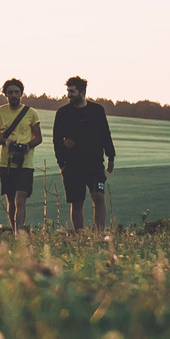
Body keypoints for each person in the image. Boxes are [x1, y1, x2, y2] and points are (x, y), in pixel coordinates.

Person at [52, 74, 115, 233]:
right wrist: (62, 164)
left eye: (72, 92)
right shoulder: (63, 113)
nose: (68, 95)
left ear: (82, 92)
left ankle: (98, 234)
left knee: (99, 197)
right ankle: (80, 235)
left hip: (94, 163)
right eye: (68, 91)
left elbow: (105, 134)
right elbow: (57, 140)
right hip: (72, 165)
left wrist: (111, 156)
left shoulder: (97, 111)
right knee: (77, 202)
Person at [0, 78, 43, 234]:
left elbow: (38, 137)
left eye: (16, 92)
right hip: (5, 162)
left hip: (25, 162)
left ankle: (19, 233)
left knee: (21, 198)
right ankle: (15, 232)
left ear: (21, 94)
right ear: (5, 94)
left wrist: (28, 146)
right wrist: (6, 141)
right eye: (10, 92)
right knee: (11, 200)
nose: (13, 95)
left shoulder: (31, 113)